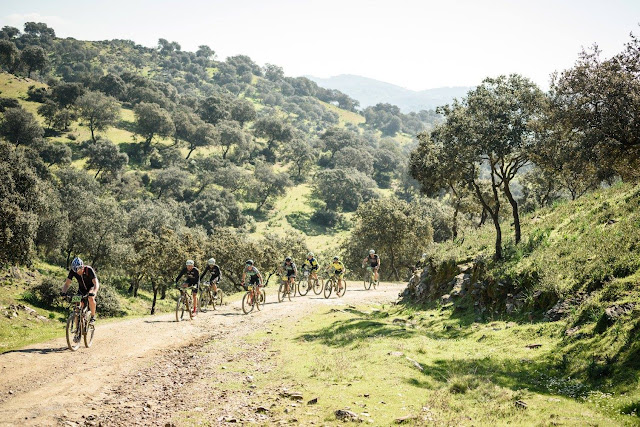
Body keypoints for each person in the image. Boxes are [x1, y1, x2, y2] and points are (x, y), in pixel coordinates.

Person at [61, 257, 99, 324]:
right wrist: (63, 292)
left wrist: (94, 292)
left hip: (91, 288)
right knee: (76, 306)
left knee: (90, 298)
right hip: (81, 289)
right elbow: (67, 283)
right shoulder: (73, 271)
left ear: (82, 267)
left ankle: (93, 317)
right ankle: (77, 329)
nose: (77, 272)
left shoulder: (89, 269)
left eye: (78, 270)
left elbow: (96, 283)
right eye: (75, 270)